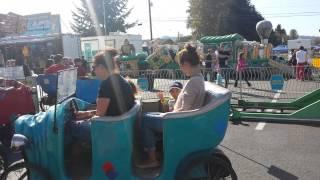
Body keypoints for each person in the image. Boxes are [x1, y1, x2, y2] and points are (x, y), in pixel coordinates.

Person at [138, 44, 205, 168]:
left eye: (181, 66)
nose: (181, 69)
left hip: (179, 122)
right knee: (148, 115)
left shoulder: (194, 82)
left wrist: (167, 115)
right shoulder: (198, 79)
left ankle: (152, 159)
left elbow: (184, 111)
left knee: (145, 119)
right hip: (182, 119)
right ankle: (155, 151)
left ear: (186, 64)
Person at [68, 48, 135, 143]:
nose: (93, 71)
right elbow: (109, 109)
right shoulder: (122, 80)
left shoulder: (106, 85)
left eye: (94, 67)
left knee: (70, 125)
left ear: (101, 67)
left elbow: (100, 116)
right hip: (120, 126)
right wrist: (86, 114)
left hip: (109, 129)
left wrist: (86, 118)